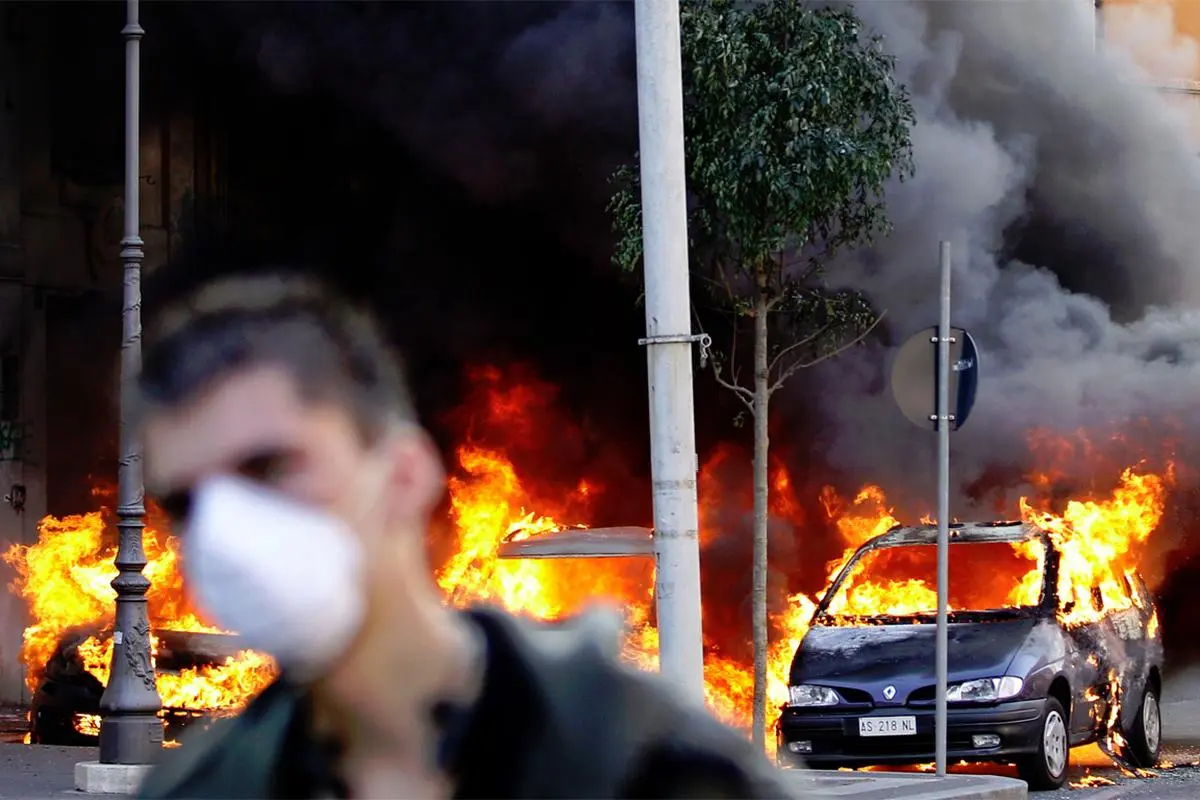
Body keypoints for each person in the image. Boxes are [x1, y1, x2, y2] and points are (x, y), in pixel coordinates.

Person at [132, 271, 798, 799]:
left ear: (404, 472)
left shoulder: (639, 758)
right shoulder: (200, 788)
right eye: (188, 501)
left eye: (270, 466)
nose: (227, 528)